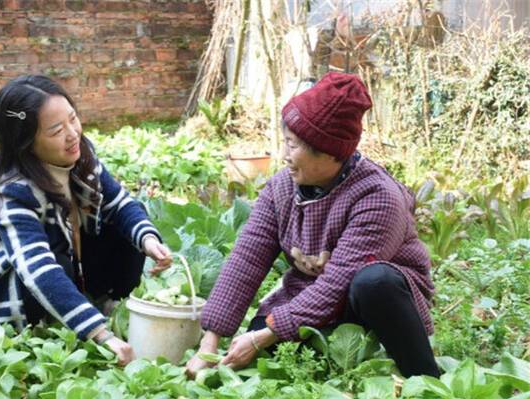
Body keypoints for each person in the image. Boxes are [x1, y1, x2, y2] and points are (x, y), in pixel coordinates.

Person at [186, 72, 440, 378]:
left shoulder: (377, 197)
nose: (283, 156)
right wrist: (209, 345)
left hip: (375, 303)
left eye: (293, 146)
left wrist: (267, 333)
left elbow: (338, 286)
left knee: (373, 282)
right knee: (260, 355)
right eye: (285, 142)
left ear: (331, 153)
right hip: (308, 297)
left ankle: (423, 377)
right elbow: (246, 260)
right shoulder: (281, 188)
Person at [0, 75, 172, 366]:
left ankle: (99, 304)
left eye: (73, 118)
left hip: (62, 268)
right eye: (56, 130)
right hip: (4, 298)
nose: (72, 134)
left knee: (125, 228)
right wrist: (102, 336)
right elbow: (39, 271)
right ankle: (60, 325)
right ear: (26, 143)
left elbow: (120, 204)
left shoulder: (80, 156)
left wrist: (150, 241)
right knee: (55, 261)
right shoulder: (12, 192)